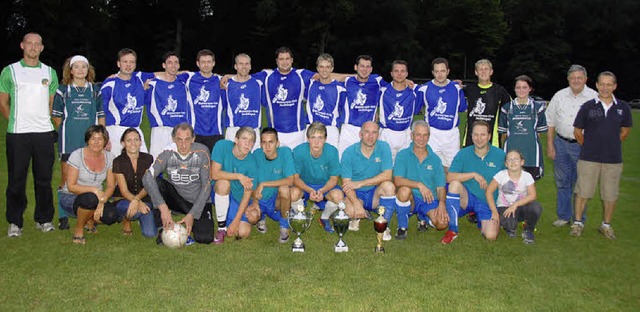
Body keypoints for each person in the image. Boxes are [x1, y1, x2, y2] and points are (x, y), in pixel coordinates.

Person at [0, 32, 59, 237]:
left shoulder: (50, 72)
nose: (33, 47)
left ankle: (44, 219)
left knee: (43, 179)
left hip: (43, 133)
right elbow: (3, 103)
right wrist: (17, 123)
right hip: (18, 134)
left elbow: (52, 104)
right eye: (29, 44)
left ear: (42, 48)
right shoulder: (10, 71)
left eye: (37, 44)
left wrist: (45, 123)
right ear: (22, 46)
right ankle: (15, 222)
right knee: (17, 179)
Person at [570, 71, 632, 240]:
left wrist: (610, 143)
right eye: (602, 84)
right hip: (588, 157)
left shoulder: (623, 107)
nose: (605, 87)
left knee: (610, 194)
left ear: (615, 86)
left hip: (613, 159)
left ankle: (606, 225)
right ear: (597, 85)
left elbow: (625, 130)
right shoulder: (588, 106)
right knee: (583, 191)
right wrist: (590, 145)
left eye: (609, 84)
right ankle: (577, 223)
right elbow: (577, 131)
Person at [52, 55, 105, 230]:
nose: (81, 70)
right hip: (69, 140)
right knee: (66, 180)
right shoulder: (63, 90)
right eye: (77, 67)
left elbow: (101, 115)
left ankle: (88, 217)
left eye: (84, 67)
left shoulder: (95, 90)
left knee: (90, 178)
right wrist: (68, 131)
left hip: (91, 143)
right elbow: (57, 117)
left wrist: (102, 136)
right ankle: (62, 215)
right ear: (71, 70)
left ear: (88, 70)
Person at [142, 122, 214, 244]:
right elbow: (147, 177)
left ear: (193, 139)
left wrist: (192, 214)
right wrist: (163, 207)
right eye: (179, 140)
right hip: (177, 198)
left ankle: (186, 219)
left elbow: (206, 187)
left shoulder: (202, 151)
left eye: (187, 139)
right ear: (174, 139)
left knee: (204, 237)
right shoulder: (168, 152)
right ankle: (163, 225)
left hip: (198, 200)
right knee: (157, 183)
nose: (184, 145)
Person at [545, 65, 598, 227]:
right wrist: (550, 145)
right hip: (560, 143)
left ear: (585, 79)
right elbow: (550, 121)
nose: (576, 80)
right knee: (562, 182)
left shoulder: (593, 97)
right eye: (573, 77)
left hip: (583, 146)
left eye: (579, 77)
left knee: (581, 183)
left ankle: (579, 219)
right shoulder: (559, 96)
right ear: (568, 79)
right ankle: (564, 216)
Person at [443, 121, 505, 244]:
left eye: (483, 135)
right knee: (454, 185)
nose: (479, 138)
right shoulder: (463, 153)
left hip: (488, 202)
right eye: (475, 135)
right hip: (467, 198)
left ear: (489, 136)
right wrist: (473, 175)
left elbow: (510, 180)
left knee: (491, 235)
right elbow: (449, 177)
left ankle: (480, 217)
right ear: (471, 136)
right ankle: (453, 230)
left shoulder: (500, 155)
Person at [57, 125, 121, 244]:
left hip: (97, 198)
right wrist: (95, 190)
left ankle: (90, 220)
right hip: (71, 197)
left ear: (105, 141)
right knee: (90, 199)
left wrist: (102, 201)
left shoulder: (109, 157)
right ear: (87, 140)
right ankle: (79, 229)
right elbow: (71, 186)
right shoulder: (77, 155)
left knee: (112, 216)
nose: (96, 142)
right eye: (93, 139)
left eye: (100, 139)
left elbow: (111, 186)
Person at [392, 120, 448, 240]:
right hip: (411, 197)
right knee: (403, 191)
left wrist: (442, 204)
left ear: (429, 136)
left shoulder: (435, 159)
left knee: (442, 224)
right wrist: (419, 185)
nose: (421, 138)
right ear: (412, 136)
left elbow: (440, 186)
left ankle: (423, 217)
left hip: (429, 199)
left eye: (425, 135)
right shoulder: (403, 155)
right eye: (418, 135)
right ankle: (402, 227)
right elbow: (397, 180)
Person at [253, 47, 315, 149]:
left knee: (296, 164)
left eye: (287, 58)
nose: (284, 62)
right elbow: (244, 78)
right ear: (276, 61)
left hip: (298, 133)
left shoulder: (301, 74)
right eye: (281, 59)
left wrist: (349, 77)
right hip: (275, 133)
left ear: (292, 60)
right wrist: (227, 77)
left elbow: (324, 76)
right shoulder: (267, 75)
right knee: (277, 164)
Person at [341, 121, 396, 231]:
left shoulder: (384, 147)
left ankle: (384, 226)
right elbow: (346, 184)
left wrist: (360, 183)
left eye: (374, 132)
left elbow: (388, 175)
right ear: (360, 134)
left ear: (378, 135)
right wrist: (356, 203)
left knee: (389, 186)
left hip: (374, 193)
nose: (370, 136)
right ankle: (357, 216)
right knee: (350, 211)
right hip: (356, 193)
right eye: (367, 132)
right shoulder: (349, 152)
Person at [290, 122, 345, 234]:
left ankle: (324, 217)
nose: (316, 142)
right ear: (308, 139)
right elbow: (295, 178)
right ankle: (300, 215)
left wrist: (321, 191)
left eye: (320, 138)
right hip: (305, 184)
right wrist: (309, 190)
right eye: (313, 137)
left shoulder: (332, 151)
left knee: (339, 197)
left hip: (324, 185)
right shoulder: (298, 151)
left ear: (325, 139)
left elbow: (334, 179)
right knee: (292, 193)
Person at [416, 57, 467, 171]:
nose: (440, 74)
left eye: (443, 71)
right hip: (432, 133)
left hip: (451, 134)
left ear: (448, 71)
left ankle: (449, 189)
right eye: (437, 71)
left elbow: (462, 108)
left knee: (453, 168)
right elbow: (416, 109)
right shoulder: (424, 89)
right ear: (433, 72)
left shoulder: (456, 88)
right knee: (430, 167)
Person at [210, 126, 260, 242]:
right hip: (220, 190)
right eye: (244, 139)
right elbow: (214, 174)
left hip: (238, 197)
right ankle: (222, 228)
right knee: (223, 184)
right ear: (236, 140)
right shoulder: (221, 146)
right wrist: (239, 176)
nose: (248, 144)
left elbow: (248, 194)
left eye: (251, 141)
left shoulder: (251, 163)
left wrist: (236, 220)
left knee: (243, 232)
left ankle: (229, 216)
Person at [100, 48, 153, 154]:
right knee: (117, 167)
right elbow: (101, 113)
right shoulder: (109, 84)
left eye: (132, 62)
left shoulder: (139, 78)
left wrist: (183, 73)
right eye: (125, 62)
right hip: (116, 131)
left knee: (144, 165)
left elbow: (165, 74)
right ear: (118, 64)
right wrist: (104, 137)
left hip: (136, 130)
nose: (128, 65)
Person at [485, 150, 542, 244]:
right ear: (506, 164)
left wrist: (515, 205)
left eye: (516, 159)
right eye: (510, 160)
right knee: (510, 224)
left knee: (536, 207)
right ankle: (509, 228)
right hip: (505, 207)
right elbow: (488, 192)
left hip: (520, 206)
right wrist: (494, 212)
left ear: (522, 162)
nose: (513, 162)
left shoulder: (527, 176)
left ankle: (528, 230)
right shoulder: (501, 175)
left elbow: (533, 195)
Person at [497, 75, 548, 180]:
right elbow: (503, 134)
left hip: (531, 154)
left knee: (529, 187)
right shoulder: (506, 108)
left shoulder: (538, 108)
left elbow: (539, 132)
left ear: (530, 89)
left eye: (524, 87)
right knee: (510, 186)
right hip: (511, 152)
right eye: (518, 87)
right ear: (514, 89)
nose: (521, 90)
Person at [250, 127, 296, 242]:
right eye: (264, 142)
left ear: (277, 143)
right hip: (259, 198)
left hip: (274, 200)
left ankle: (284, 226)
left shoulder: (285, 153)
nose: (267, 146)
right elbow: (251, 180)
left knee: (285, 189)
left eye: (271, 142)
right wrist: (255, 200)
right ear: (260, 144)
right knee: (252, 218)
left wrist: (265, 184)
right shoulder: (256, 155)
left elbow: (290, 180)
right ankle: (262, 216)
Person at [337, 55, 386, 158]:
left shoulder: (377, 81)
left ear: (371, 69)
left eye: (368, 67)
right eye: (362, 66)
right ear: (356, 67)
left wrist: (406, 81)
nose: (365, 69)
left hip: (368, 130)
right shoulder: (348, 81)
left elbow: (394, 87)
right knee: (344, 161)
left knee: (367, 163)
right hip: (349, 129)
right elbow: (327, 75)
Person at [176, 49, 224, 152]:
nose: (206, 65)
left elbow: (241, 77)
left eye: (209, 62)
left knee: (214, 166)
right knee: (196, 165)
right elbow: (169, 74)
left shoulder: (220, 80)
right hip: (195, 132)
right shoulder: (189, 78)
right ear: (198, 63)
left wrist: (228, 76)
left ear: (213, 63)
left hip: (216, 132)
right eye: (203, 62)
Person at [112, 128, 157, 238]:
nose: (133, 143)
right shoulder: (118, 161)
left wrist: (138, 200)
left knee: (150, 234)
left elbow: (148, 184)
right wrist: (136, 201)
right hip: (124, 199)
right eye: (129, 140)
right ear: (123, 143)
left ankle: (142, 216)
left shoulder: (148, 159)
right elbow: (124, 191)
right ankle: (126, 219)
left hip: (144, 198)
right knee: (135, 211)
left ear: (140, 142)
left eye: (136, 140)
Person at [146, 52, 191, 159]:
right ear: (164, 65)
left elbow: (205, 74)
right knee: (157, 165)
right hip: (160, 130)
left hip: (180, 131)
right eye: (169, 63)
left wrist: (226, 76)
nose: (173, 65)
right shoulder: (152, 84)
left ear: (179, 66)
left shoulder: (184, 82)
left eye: (176, 62)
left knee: (180, 164)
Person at [378, 60, 420, 162]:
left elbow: (435, 86)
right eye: (396, 71)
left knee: (404, 170)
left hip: (405, 134)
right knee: (384, 169)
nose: (399, 74)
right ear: (391, 74)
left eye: (402, 71)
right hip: (386, 134)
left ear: (407, 73)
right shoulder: (382, 89)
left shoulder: (415, 90)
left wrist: (450, 83)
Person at [462, 59, 511, 147]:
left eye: (486, 69)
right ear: (476, 72)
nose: (483, 72)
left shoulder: (500, 91)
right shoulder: (468, 90)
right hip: (470, 139)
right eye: (480, 69)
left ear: (491, 72)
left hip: (492, 139)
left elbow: (510, 111)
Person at [223, 53, 263, 151]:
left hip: (253, 130)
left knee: (253, 163)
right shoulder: (226, 84)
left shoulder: (259, 82)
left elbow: (275, 71)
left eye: (247, 64)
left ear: (250, 66)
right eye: (241, 64)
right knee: (231, 163)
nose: (244, 66)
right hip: (233, 130)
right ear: (235, 66)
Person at [305, 53, 345, 148]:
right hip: (311, 127)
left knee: (331, 160)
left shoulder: (340, 88)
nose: (324, 70)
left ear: (332, 68)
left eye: (327, 67)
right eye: (321, 67)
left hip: (330, 129)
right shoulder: (309, 84)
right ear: (317, 68)